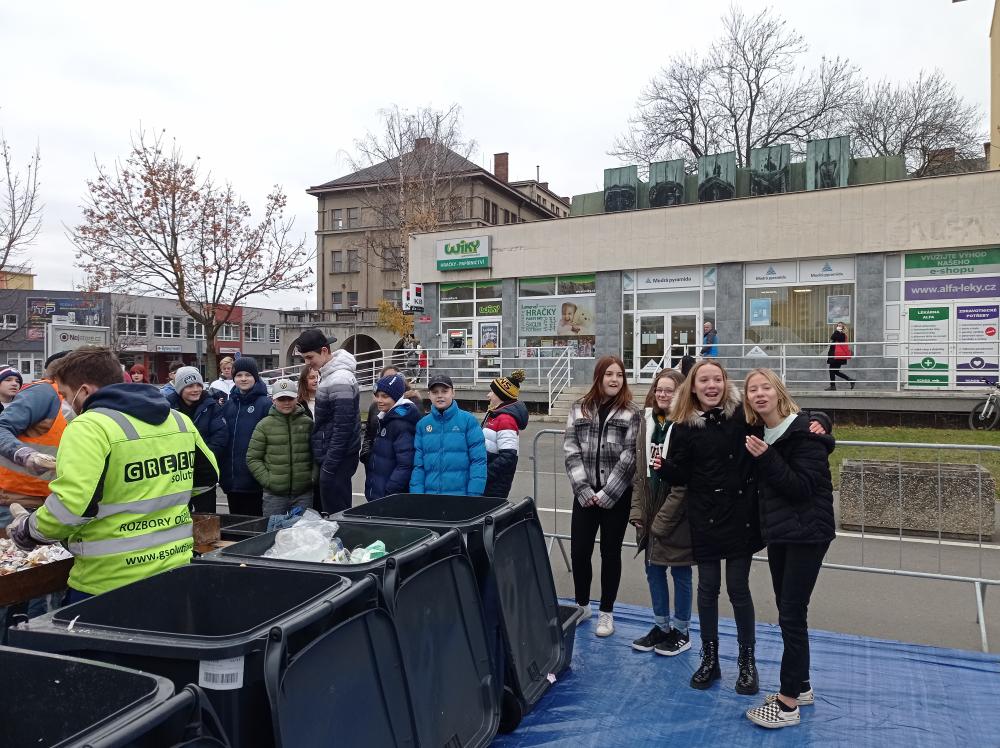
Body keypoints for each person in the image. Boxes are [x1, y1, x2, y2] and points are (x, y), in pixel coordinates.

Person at [655, 361, 831, 695]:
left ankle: (746, 662)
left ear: (725, 383)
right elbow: (682, 474)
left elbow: (787, 416)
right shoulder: (682, 426)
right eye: (704, 380)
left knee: (738, 588)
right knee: (707, 589)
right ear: (693, 386)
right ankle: (710, 658)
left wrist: (821, 419)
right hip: (705, 517)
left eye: (717, 379)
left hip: (740, 517)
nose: (711, 386)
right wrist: (664, 468)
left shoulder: (743, 416)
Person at [6, 346, 218, 603]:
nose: (64, 403)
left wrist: (28, 529)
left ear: (84, 391)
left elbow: (72, 506)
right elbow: (208, 478)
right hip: (175, 568)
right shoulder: (178, 420)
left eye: (65, 395)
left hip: (108, 580)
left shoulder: (89, 426)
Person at [742, 368, 835, 730]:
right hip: (781, 533)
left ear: (779, 391)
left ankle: (787, 704)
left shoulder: (804, 432)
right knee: (788, 610)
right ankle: (802, 686)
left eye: (766, 387)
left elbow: (801, 487)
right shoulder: (759, 431)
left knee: (792, 615)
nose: (759, 394)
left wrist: (767, 457)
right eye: (753, 389)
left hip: (807, 534)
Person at [564, 355, 641, 638]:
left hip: (615, 498)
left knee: (610, 553)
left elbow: (630, 456)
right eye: (609, 374)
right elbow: (571, 450)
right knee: (579, 551)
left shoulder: (632, 412)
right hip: (584, 495)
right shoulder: (579, 408)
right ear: (599, 377)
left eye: (619, 375)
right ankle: (582, 605)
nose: (614, 379)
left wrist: (608, 493)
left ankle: (607, 612)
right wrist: (583, 490)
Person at [629, 369, 694, 656]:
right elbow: (639, 473)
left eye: (670, 390)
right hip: (650, 509)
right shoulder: (647, 422)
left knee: (680, 571)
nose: (663, 394)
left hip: (677, 513)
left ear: (681, 393)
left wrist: (663, 520)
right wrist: (637, 511)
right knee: (653, 569)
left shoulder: (687, 426)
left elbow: (685, 482)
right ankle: (661, 626)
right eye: (659, 389)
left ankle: (682, 630)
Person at [293, 329, 360, 514]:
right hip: (336, 456)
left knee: (336, 514)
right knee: (334, 512)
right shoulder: (331, 374)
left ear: (324, 351)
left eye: (309, 357)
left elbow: (343, 428)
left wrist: (329, 465)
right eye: (304, 358)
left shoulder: (339, 378)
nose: (307, 363)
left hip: (337, 459)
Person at [246, 379, 316, 517]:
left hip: (303, 493)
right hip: (274, 495)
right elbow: (253, 458)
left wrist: (312, 478)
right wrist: (268, 481)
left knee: (303, 529)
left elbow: (316, 454)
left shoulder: (308, 423)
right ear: (273, 400)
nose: (286, 402)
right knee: (274, 528)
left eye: (290, 398)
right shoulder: (264, 425)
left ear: (296, 398)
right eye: (281, 399)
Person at [410, 374, 486, 496]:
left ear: (453, 393)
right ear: (429, 395)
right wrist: (417, 496)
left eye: (444, 391)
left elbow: (478, 461)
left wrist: (474, 495)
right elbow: (418, 466)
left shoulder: (468, 421)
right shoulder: (422, 425)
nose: (440, 395)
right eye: (435, 392)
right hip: (430, 498)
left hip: (461, 498)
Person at [165, 367, 227, 513]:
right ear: (180, 388)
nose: (196, 389)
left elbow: (220, 436)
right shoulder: (167, 408)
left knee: (205, 519)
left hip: (204, 476)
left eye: (198, 385)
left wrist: (204, 458)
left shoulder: (212, 406)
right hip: (177, 475)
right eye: (190, 386)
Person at [220, 357, 271, 516]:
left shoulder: (265, 404)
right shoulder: (229, 405)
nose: (243, 379)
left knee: (254, 523)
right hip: (232, 480)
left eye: (248, 375)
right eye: (239, 375)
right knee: (235, 522)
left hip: (255, 480)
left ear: (255, 377)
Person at [364, 373, 421, 501]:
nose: (379, 400)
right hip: (380, 494)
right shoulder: (387, 418)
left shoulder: (401, 424)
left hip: (387, 497)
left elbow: (405, 465)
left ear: (396, 397)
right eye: (377, 395)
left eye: (385, 396)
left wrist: (389, 491)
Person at [482, 369, 528, 499]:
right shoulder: (496, 415)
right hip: (490, 481)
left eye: (492, 392)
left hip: (493, 484)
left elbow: (508, 457)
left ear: (500, 395)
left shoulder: (506, 420)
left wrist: (484, 474)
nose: (488, 395)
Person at [360, 365, 401, 467]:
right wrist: (366, 455)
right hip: (374, 463)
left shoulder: (408, 407)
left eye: (393, 378)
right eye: (386, 378)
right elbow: (368, 433)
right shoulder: (375, 406)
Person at [826, 322, 855, 390]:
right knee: (835, 371)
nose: (838, 327)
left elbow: (833, 337)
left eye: (840, 326)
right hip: (836, 355)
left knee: (832, 370)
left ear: (843, 327)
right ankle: (850, 380)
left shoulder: (842, 335)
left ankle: (833, 386)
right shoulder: (839, 334)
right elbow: (832, 338)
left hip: (837, 355)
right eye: (838, 325)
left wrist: (837, 331)